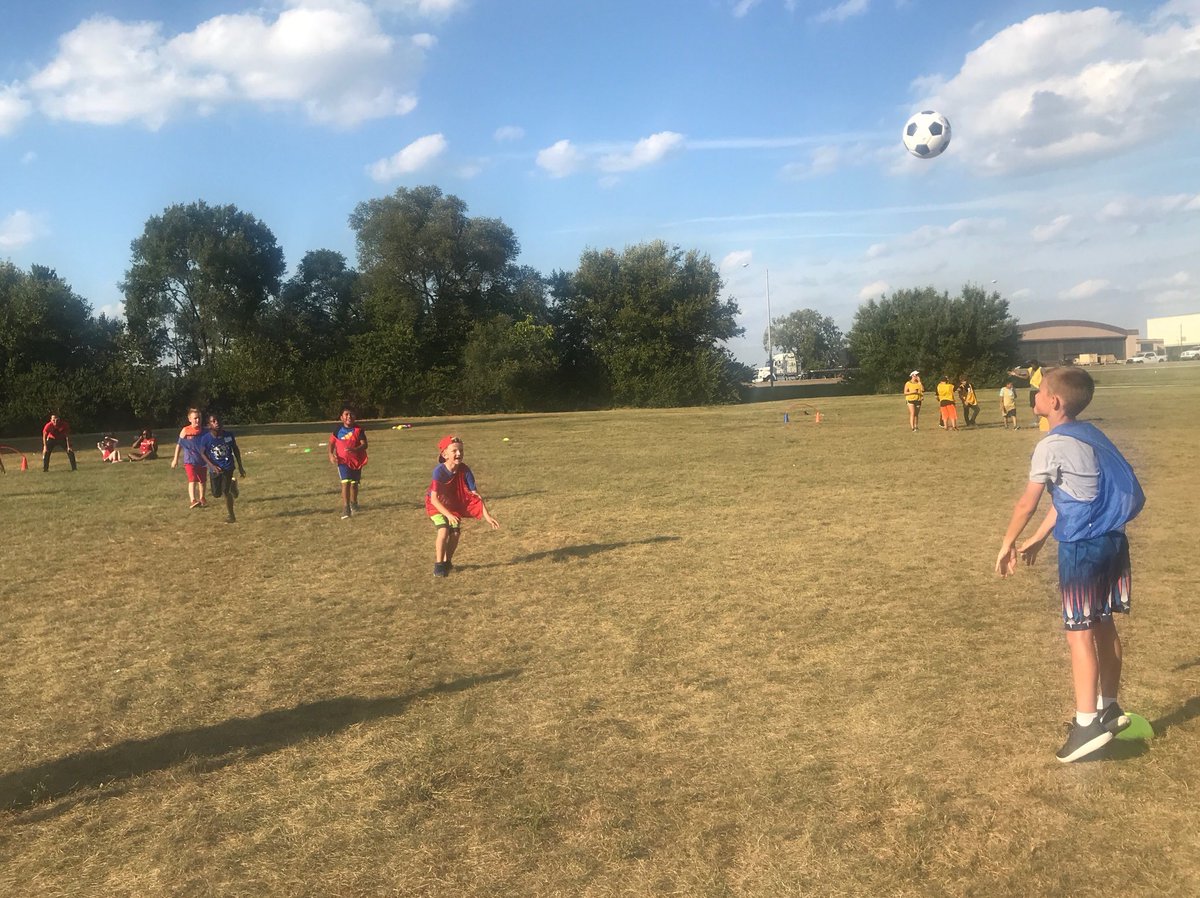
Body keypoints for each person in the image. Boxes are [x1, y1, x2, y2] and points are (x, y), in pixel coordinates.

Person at [995, 366, 1145, 763]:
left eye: (1040, 392)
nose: (1036, 397)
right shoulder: (1091, 434)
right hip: (1112, 540)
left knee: (1079, 633)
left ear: (1054, 402)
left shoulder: (1051, 444)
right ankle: (1109, 708)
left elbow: (1027, 502)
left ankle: (1086, 725)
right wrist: (1039, 538)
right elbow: (1076, 497)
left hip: (1082, 547)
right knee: (1103, 623)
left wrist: (1006, 544)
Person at [424, 435, 499, 577]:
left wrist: (487, 516)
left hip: (452, 505)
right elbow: (434, 499)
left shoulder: (465, 470)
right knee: (443, 530)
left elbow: (475, 495)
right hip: (437, 506)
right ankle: (439, 564)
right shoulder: (439, 472)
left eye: (461, 451)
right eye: (455, 451)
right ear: (445, 454)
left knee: (456, 533)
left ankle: (448, 562)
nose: (459, 454)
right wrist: (448, 515)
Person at [199, 412, 246, 524]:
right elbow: (202, 453)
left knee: (225, 491)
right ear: (209, 425)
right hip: (214, 469)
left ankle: (231, 516)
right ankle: (233, 486)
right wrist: (212, 466)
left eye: (218, 420)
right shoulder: (206, 438)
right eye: (213, 421)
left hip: (228, 467)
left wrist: (240, 466)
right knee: (216, 494)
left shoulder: (228, 435)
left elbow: (235, 450)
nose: (217, 423)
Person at [328, 407, 368, 520]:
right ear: (341, 417)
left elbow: (365, 445)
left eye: (351, 414)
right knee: (345, 482)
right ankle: (346, 508)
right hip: (343, 461)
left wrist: (355, 449)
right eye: (346, 414)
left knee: (354, 484)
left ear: (355, 417)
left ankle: (353, 503)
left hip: (356, 461)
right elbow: (331, 443)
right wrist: (331, 454)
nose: (349, 416)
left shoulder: (358, 430)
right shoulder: (338, 430)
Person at [171, 408, 208, 508]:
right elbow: (179, 445)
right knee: (192, 479)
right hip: (190, 461)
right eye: (195, 418)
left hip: (202, 461)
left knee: (202, 480)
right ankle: (193, 500)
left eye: (199, 418)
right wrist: (175, 459)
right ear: (189, 419)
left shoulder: (205, 431)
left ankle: (202, 497)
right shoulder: (186, 430)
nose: (197, 420)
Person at [1010, 360, 1045, 430]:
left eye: (1033, 364)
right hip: (1032, 390)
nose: (1032, 366)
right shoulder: (1030, 370)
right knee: (1032, 405)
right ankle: (1036, 420)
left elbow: (1046, 377)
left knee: (1041, 404)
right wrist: (1015, 374)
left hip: (1040, 389)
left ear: (1037, 364)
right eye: (1031, 365)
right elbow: (1025, 376)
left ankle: (1043, 420)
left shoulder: (1041, 369)